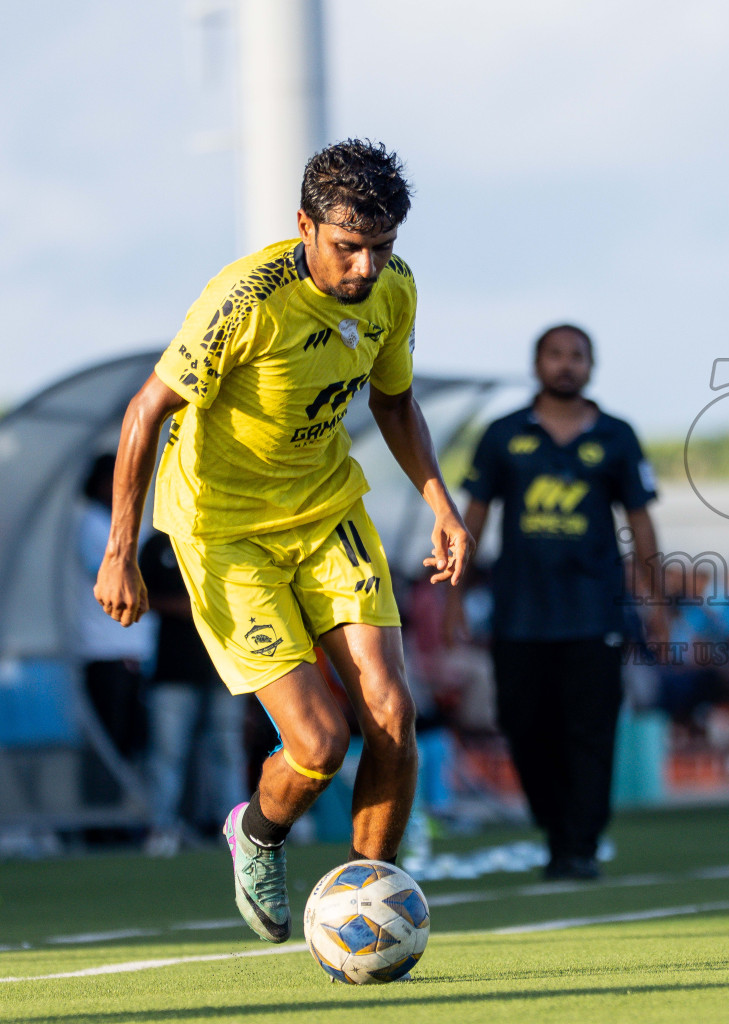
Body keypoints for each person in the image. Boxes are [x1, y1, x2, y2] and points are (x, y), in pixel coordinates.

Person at [92, 139, 473, 945]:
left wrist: (440, 501)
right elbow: (143, 411)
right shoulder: (244, 301)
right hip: (225, 533)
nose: (366, 268)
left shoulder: (393, 291)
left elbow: (394, 404)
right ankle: (257, 834)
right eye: (348, 247)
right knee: (319, 741)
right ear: (304, 224)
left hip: (325, 509)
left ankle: (370, 907)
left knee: (392, 715)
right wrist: (121, 548)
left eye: (382, 247)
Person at [458, 324, 661, 880]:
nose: (566, 365)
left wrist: (657, 601)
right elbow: (472, 516)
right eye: (556, 355)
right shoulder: (503, 435)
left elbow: (640, 520)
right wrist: (454, 594)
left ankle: (580, 845)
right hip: (519, 613)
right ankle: (556, 827)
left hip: (595, 614)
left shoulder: (618, 436)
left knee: (591, 731)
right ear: (537, 363)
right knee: (523, 725)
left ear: (591, 367)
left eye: (577, 356)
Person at [140, 529, 246, 856]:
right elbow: (140, 594)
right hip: (174, 669)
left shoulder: (230, 536)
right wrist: (195, 608)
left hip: (225, 668)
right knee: (168, 753)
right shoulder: (159, 544)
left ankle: (237, 831)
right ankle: (162, 827)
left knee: (226, 750)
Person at [76, 453, 156, 813]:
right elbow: (122, 584)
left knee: (129, 741)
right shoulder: (93, 525)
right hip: (105, 652)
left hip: (132, 652)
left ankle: (117, 817)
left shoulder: (121, 526)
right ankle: (98, 822)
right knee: (108, 742)